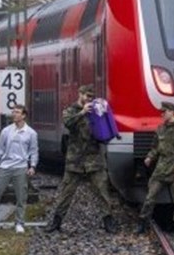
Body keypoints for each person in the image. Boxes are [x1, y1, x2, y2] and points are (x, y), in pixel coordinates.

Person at [46, 85, 120, 234]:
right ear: (80, 94)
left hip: (94, 159)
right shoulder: (71, 110)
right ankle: (56, 221)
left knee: (102, 191)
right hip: (76, 160)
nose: (89, 99)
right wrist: (82, 112)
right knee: (67, 192)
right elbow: (67, 123)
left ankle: (108, 222)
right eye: (87, 96)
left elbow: (104, 129)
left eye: (91, 97)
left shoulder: (97, 111)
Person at [135, 102, 174, 236]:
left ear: (172, 112)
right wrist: (149, 157)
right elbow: (156, 147)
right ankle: (143, 222)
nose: (162, 114)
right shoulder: (160, 129)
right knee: (150, 197)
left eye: (164, 112)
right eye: (162, 112)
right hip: (161, 166)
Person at [0, 104, 38, 233]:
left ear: (24, 115)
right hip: (5, 166)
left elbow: (34, 151)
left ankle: (19, 222)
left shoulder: (31, 133)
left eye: (17, 112)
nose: (14, 114)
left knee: (21, 196)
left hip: (21, 166)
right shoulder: (6, 131)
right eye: (13, 112)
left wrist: (33, 166)